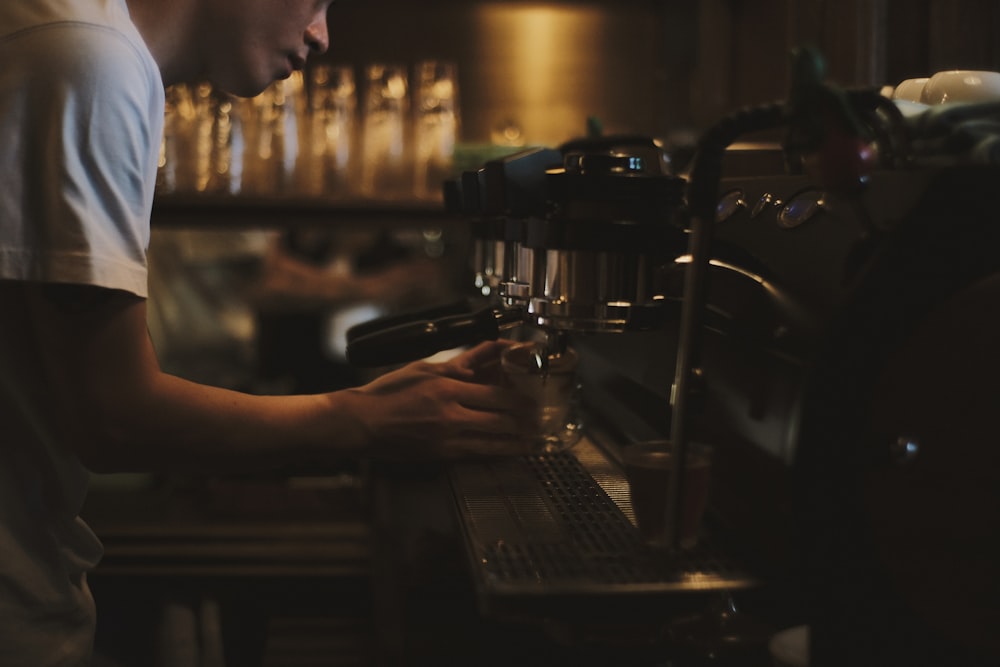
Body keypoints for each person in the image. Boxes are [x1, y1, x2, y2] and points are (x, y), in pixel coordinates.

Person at [0, 0, 532, 664]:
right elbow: (112, 418)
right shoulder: (89, 62)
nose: (322, 34)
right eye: (315, 1)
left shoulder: (75, 41)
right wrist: (368, 418)